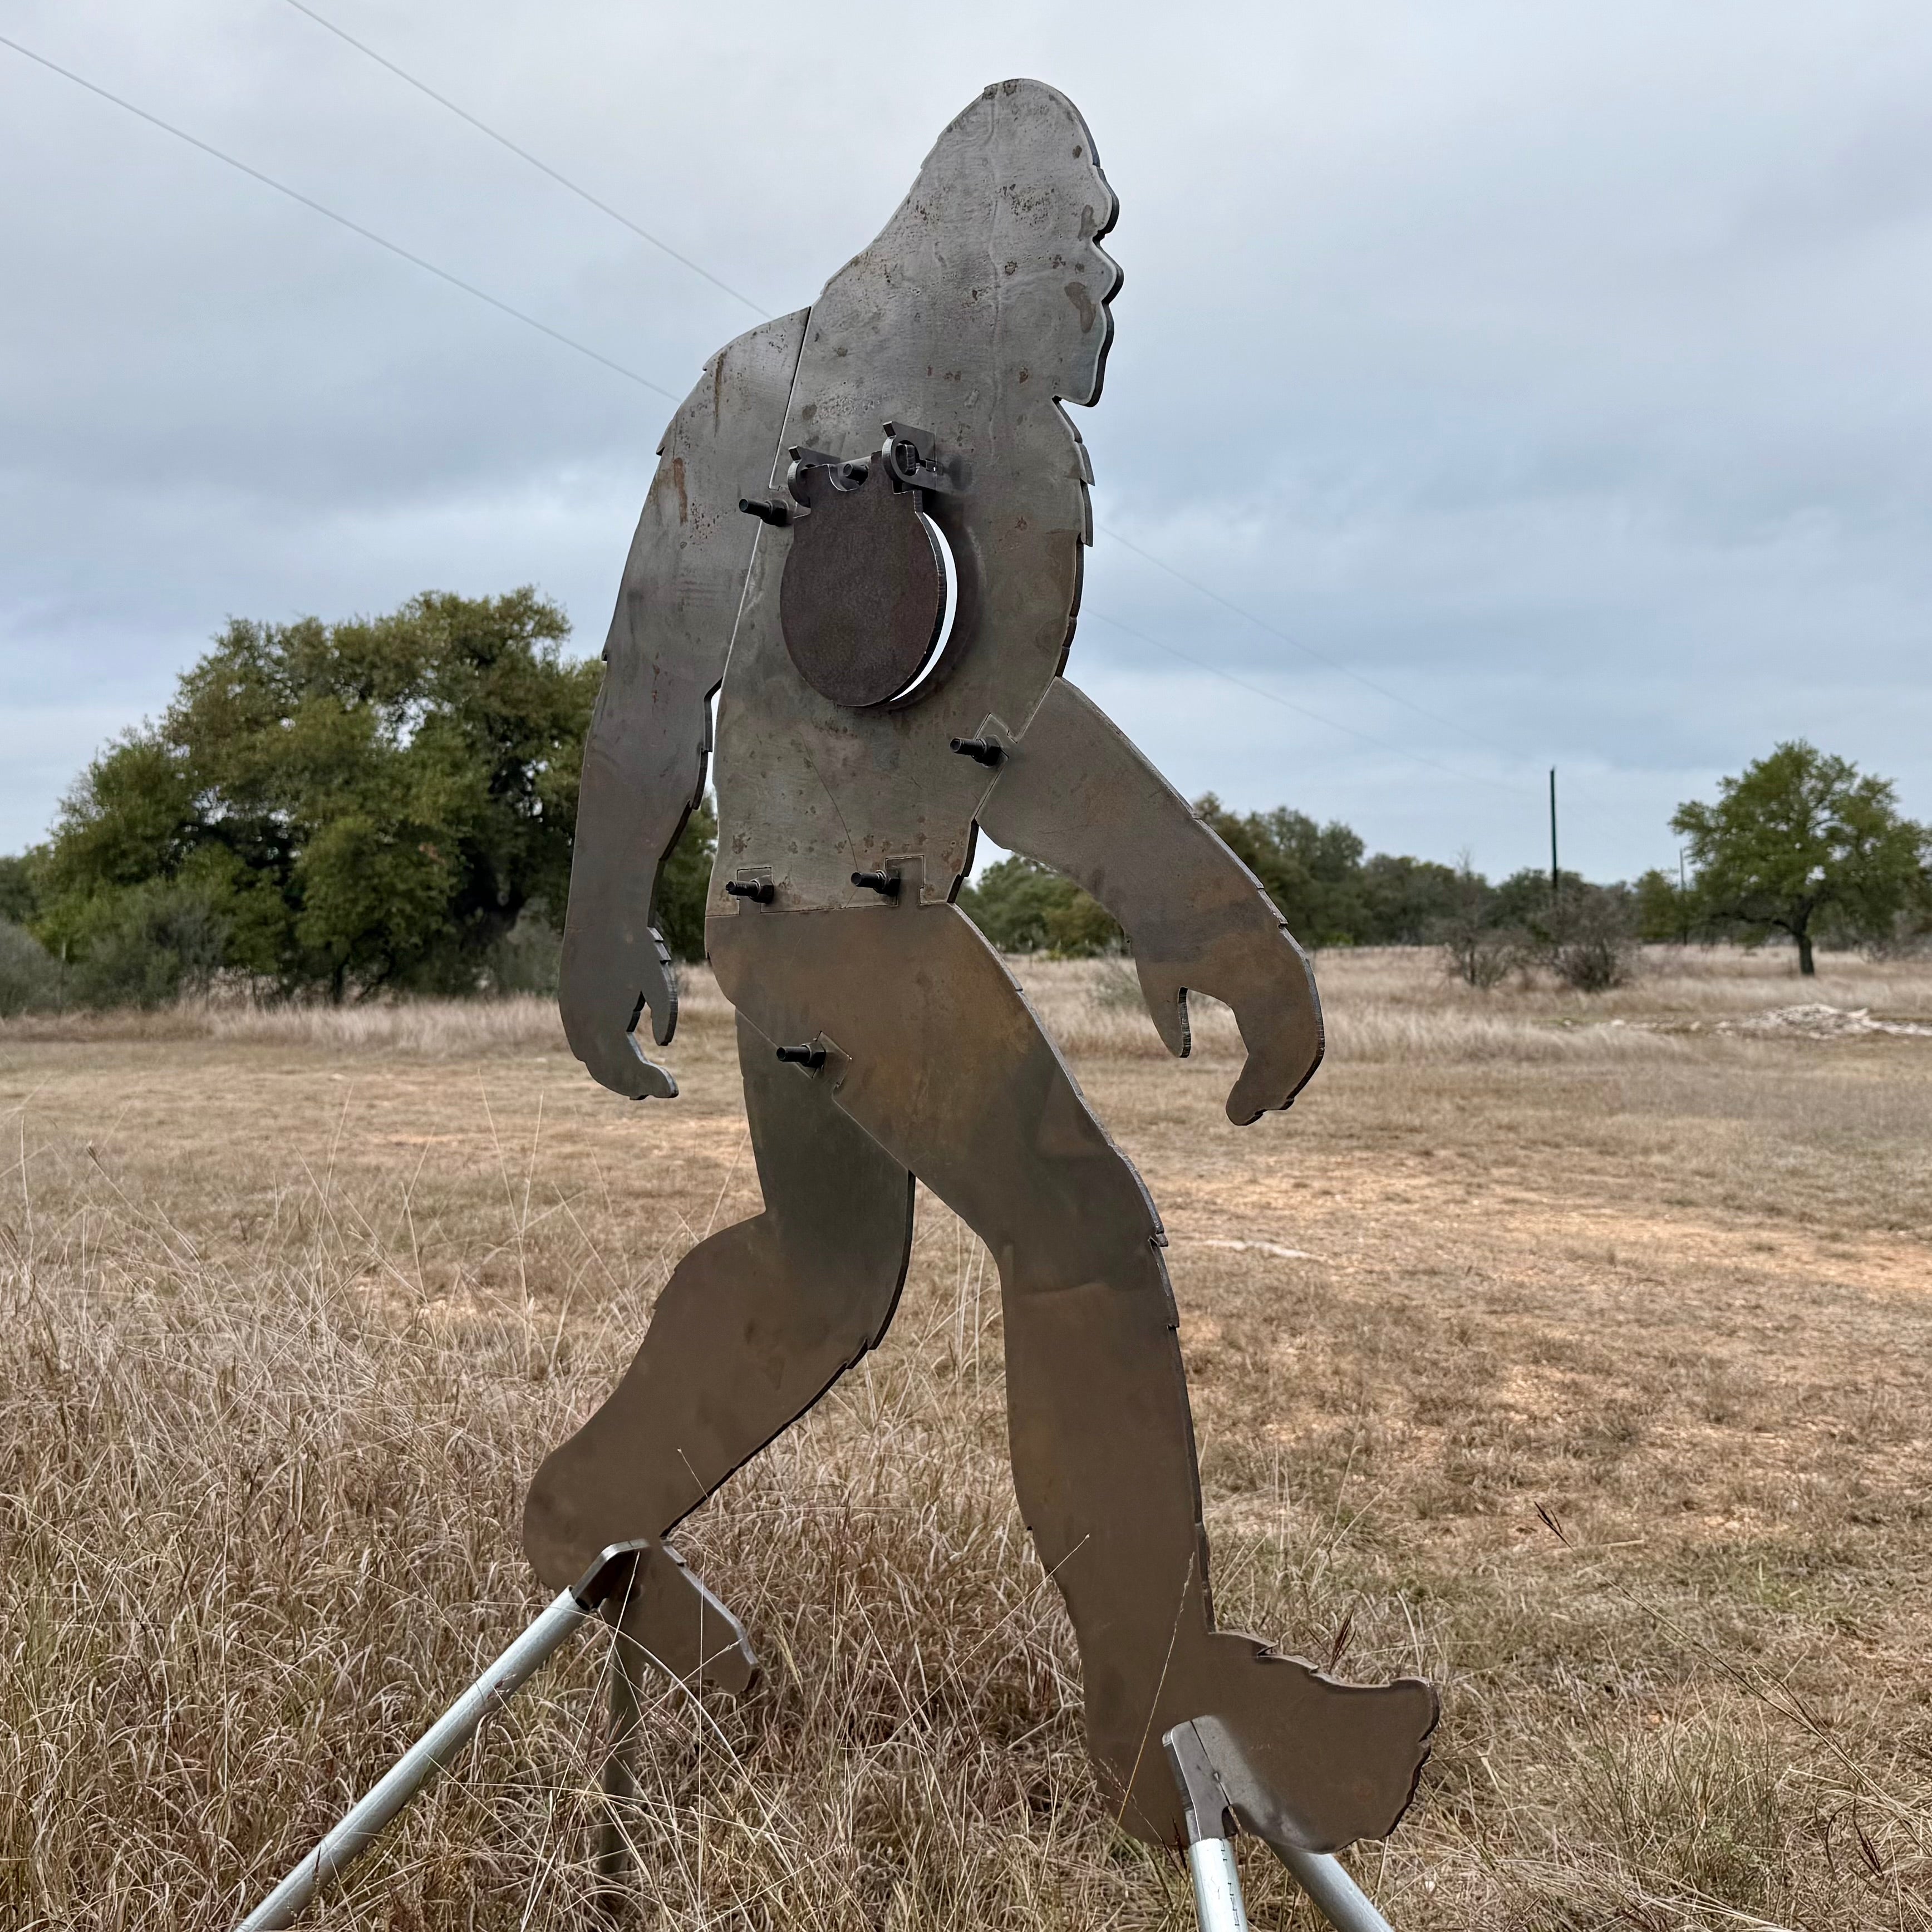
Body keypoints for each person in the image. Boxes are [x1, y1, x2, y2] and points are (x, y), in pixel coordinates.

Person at [525, 78, 1434, 1857]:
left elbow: (986, 721)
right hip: (844, 933)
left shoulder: (947, 436)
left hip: (805, 925)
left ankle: (586, 1522)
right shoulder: (778, 403)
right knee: (1086, 1242)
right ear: (986, 245)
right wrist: (595, 919)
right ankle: (1165, 1711)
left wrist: (1200, 910)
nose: (1106, 293)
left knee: (823, 1268)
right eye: (1084, 252)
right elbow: (654, 683)